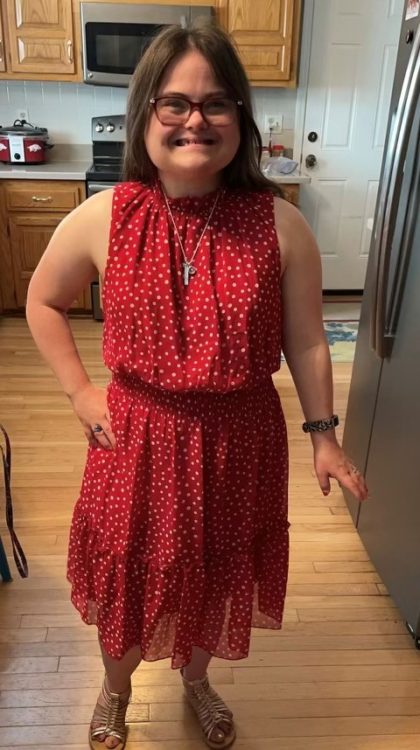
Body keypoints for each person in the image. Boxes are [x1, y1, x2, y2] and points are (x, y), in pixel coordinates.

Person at [26, 20, 369, 750]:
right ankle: (115, 691)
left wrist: (325, 437)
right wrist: (82, 393)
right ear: (145, 112)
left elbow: (308, 340)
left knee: (217, 570)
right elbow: (42, 301)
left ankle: (196, 677)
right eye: (175, 103)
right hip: (137, 433)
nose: (195, 120)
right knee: (129, 571)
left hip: (239, 438)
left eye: (217, 103)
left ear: (239, 119)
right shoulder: (104, 217)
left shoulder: (280, 226)